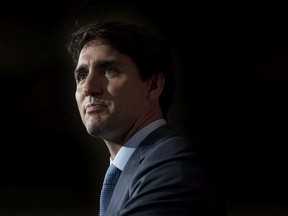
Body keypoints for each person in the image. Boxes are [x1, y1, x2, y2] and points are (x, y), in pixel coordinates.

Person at [66, 20, 226, 216]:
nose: (89, 88)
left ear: (153, 86)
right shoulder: (130, 170)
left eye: (109, 71)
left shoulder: (174, 162)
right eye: (81, 75)